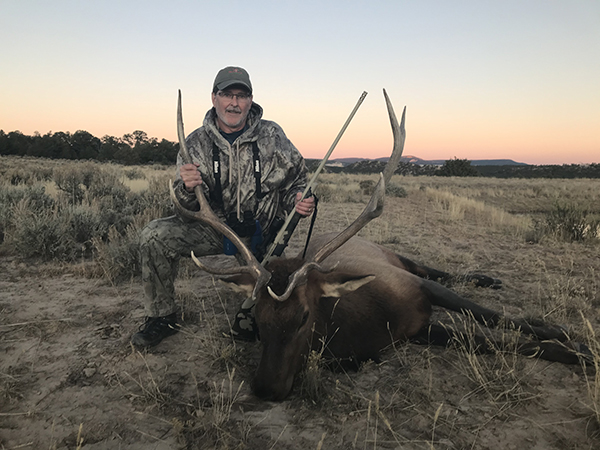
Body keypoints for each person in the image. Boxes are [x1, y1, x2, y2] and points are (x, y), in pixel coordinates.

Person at [132, 66, 315, 348]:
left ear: (250, 100)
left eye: (241, 96)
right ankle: (161, 317)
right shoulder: (194, 143)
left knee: (278, 286)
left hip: (262, 233)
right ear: (214, 98)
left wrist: (299, 199)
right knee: (154, 237)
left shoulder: (273, 136)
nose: (234, 102)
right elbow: (182, 208)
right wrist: (186, 188)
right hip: (215, 230)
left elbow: (297, 181)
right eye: (227, 94)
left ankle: (252, 312)